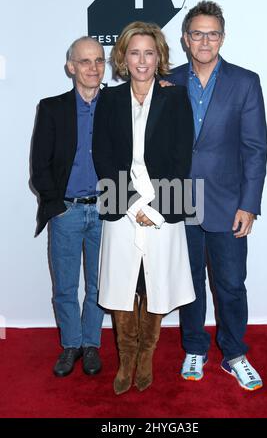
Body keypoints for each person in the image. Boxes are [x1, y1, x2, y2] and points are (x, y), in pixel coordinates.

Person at [166, 1, 267, 391]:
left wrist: (250, 204)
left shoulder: (245, 81)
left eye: (212, 33)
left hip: (229, 202)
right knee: (187, 282)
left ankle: (235, 353)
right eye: (197, 33)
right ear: (186, 38)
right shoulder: (168, 81)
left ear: (222, 38)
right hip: (179, 198)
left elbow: (255, 148)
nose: (204, 40)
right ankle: (194, 347)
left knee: (230, 283)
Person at [92, 21, 196, 395]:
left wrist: (153, 207)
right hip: (120, 207)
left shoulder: (176, 97)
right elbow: (103, 156)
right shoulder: (110, 100)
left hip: (165, 206)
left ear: (159, 57)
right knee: (123, 286)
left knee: (155, 285)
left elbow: (181, 158)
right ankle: (126, 360)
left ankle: (147, 357)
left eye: (148, 52)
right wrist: (133, 202)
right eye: (134, 52)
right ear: (122, 56)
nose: (141, 60)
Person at [31, 36, 106, 377]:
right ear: (71, 67)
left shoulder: (117, 106)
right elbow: (39, 166)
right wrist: (57, 205)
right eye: (86, 61)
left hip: (107, 211)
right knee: (64, 286)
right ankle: (71, 345)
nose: (94, 68)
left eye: (99, 60)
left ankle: (91, 344)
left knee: (98, 285)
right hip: (67, 212)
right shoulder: (52, 107)